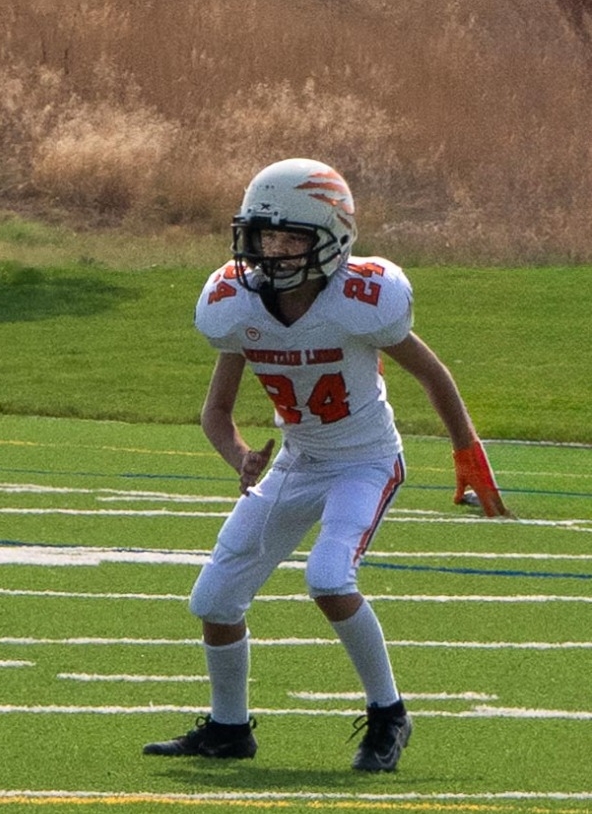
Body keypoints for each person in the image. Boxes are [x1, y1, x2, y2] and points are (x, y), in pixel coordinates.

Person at [143, 158, 507, 772]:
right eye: (265, 237)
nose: (274, 251)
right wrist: (241, 457)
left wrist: (465, 450)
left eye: (291, 238)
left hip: (365, 462)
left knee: (330, 577)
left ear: (333, 238)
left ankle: (390, 714)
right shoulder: (239, 306)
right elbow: (216, 411)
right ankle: (229, 728)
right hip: (297, 462)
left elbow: (431, 373)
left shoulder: (361, 300)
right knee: (214, 599)